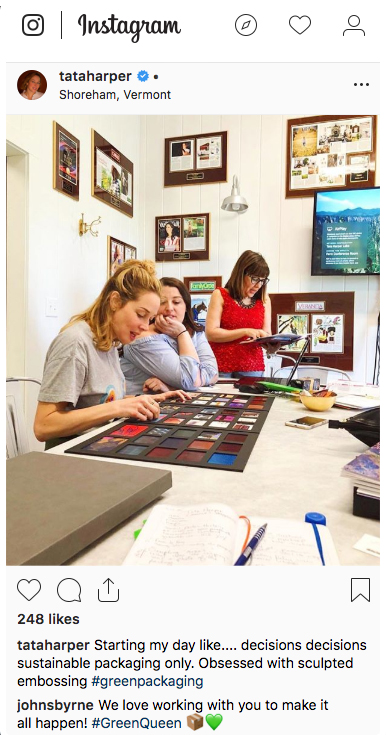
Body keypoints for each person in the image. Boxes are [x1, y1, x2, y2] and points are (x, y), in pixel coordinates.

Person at [34, 261, 190, 447]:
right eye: (140, 314)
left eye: (150, 319)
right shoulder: (75, 343)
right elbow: (43, 426)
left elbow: (98, 401)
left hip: (103, 445)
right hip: (71, 461)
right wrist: (119, 407)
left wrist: (141, 400)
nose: (144, 326)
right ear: (115, 301)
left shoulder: (110, 343)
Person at [121, 277, 218, 394]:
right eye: (162, 302)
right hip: (141, 406)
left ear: (186, 307)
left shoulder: (194, 331)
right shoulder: (143, 338)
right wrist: (181, 334)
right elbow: (191, 381)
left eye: (176, 302)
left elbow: (213, 373)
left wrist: (171, 387)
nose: (169, 308)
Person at [205, 250, 273, 377]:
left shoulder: (264, 299)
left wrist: (272, 344)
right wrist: (245, 331)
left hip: (253, 366)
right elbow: (211, 333)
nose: (258, 285)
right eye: (254, 279)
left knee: (252, 397)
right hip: (220, 365)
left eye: (263, 280)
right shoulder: (220, 295)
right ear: (241, 274)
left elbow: (266, 333)